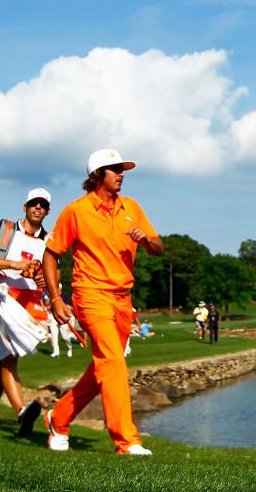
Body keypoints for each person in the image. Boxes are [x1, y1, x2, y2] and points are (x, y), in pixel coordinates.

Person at [42, 149, 162, 456]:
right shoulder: (77, 211)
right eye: (114, 169)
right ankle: (127, 441)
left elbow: (158, 247)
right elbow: (51, 253)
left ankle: (58, 418)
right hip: (90, 294)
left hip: (123, 299)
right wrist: (56, 298)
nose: (121, 174)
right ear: (97, 175)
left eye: (122, 170)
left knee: (103, 368)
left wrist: (146, 240)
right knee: (113, 362)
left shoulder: (131, 207)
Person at [0, 188, 52, 435]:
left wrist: (45, 280)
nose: (37, 208)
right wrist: (13, 264)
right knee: (7, 358)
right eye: (33, 203)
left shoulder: (48, 240)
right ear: (25, 207)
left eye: (42, 205)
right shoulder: (7, 231)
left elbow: (54, 272)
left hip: (29, 304)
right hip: (4, 299)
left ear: (47, 210)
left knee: (5, 360)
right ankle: (21, 411)